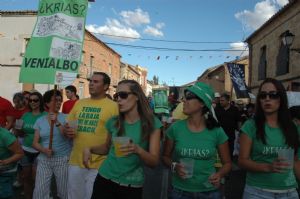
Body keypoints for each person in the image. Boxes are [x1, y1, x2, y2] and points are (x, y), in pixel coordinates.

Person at [83, 79, 162, 199]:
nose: (118, 99)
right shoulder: (113, 122)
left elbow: (154, 162)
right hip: (104, 179)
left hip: (131, 185)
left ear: (136, 97)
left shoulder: (152, 123)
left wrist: (138, 150)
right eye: (116, 96)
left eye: (123, 95)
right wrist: (89, 149)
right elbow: (106, 148)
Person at [163, 82, 232, 199]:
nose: (184, 101)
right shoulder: (175, 128)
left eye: (189, 97)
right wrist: (174, 166)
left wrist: (219, 174)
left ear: (202, 103)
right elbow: (165, 157)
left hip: (209, 191)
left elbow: (228, 164)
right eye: (184, 98)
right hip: (180, 191)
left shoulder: (216, 131)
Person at [238, 78, 300, 199]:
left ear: (281, 98)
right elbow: (242, 161)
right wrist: (268, 167)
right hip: (257, 191)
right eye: (263, 95)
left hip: (289, 191)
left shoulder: (291, 126)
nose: (267, 99)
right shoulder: (251, 126)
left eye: (273, 95)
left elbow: (295, 160)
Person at [65, 72, 118, 199]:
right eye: (91, 81)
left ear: (106, 86)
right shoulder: (79, 103)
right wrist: (67, 131)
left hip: (100, 165)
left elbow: (118, 136)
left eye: (96, 82)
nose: (91, 84)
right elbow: (68, 126)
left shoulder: (114, 107)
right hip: (76, 161)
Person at [32, 90, 71, 199]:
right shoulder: (40, 121)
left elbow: (68, 136)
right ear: (47, 103)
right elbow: (34, 143)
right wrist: (44, 150)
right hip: (44, 159)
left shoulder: (67, 117)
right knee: (40, 191)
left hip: (62, 159)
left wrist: (57, 122)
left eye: (60, 100)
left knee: (63, 192)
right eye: (55, 100)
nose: (58, 103)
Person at [14, 91, 46, 199]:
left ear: (40, 101)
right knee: (26, 178)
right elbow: (18, 132)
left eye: (35, 100)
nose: (33, 102)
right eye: (30, 100)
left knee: (36, 178)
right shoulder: (25, 115)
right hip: (26, 150)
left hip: (40, 151)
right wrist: (18, 129)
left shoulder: (45, 115)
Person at [0, 127, 24, 199]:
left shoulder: (5, 135)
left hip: (5, 172)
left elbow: (20, 153)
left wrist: (4, 162)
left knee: (5, 195)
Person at [215, 93, 241, 158]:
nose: (220, 102)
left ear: (228, 101)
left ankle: (230, 163)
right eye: (220, 100)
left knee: (230, 150)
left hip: (231, 134)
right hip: (219, 134)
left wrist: (240, 132)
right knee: (220, 151)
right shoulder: (217, 109)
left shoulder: (234, 109)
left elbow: (238, 121)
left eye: (222, 100)